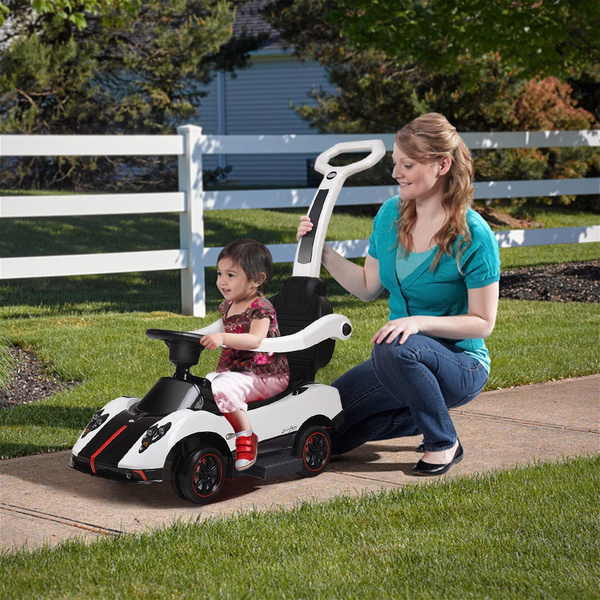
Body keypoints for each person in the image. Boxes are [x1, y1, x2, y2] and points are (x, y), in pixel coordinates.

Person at [297, 112, 500, 476]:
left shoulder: (473, 235)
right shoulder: (390, 215)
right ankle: (423, 414)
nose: (395, 173)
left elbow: (483, 323)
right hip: (401, 361)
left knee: (393, 345)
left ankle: (443, 441)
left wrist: (419, 323)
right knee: (328, 431)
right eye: (395, 163)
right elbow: (366, 287)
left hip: (460, 363)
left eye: (407, 164)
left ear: (442, 165)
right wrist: (320, 250)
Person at [200, 239, 290, 471]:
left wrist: (223, 339)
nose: (222, 281)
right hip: (237, 373)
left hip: (265, 374)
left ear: (256, 280)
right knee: (201, 386)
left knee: (222, 388)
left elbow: (255, 340)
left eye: (231, 275)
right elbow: (218, 329)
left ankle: (245, 436)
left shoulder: (261, 307)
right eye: (220, 273)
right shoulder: (227, 306)